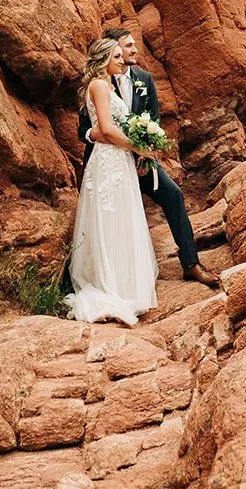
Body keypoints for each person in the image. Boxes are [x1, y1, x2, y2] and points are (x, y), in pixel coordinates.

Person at [77, 27, 219, 286]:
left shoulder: (145, 79)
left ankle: (191, 264)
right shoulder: (100, 82)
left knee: (173, 194)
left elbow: (153, 122)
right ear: (112, 50)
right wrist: (94, 134)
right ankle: (104, 274)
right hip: (110, 160)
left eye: (133, 45)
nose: (134, 50)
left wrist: (146, 154)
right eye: (127, 46)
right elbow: (85, 129)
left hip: (141, 160)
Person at [64, 37, 158, 325]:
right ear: (104, 59)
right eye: (116, 56)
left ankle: (125, 285)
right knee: (109, 219)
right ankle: (110, 287)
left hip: (118, 159)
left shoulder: (107, 85)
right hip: (109, 161)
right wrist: (138, 147)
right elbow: (105, 128)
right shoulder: (100, 85)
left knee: (122, 218)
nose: (121, 60)